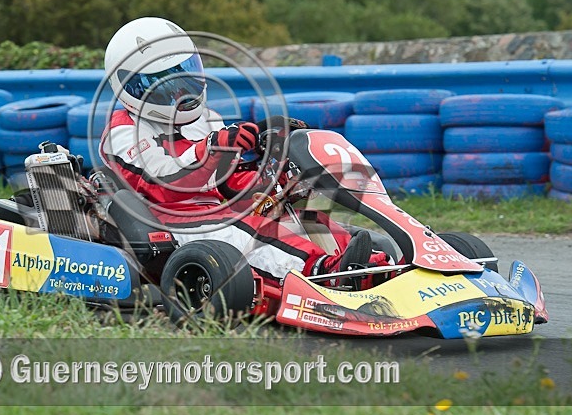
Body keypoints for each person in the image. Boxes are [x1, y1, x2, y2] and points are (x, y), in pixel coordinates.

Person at [100, 17, 385, 285]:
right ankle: (324, 272)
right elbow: (166, 183)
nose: (179, 92)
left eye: (183, 76)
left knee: (299, 209)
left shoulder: (202, 118)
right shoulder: (123, 132)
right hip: (172, 218)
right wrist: (216, 146)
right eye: (163, 83)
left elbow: (223, 178)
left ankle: (372, 264)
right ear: (131, 86)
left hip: (218, 206)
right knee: (244, 230)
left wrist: (266, 169)